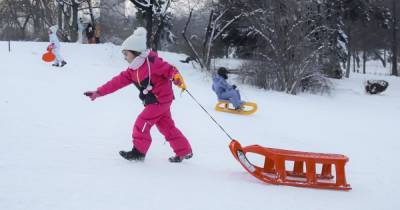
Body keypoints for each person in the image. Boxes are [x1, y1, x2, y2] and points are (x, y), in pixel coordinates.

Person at [84, 27, 193, 163]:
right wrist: (99, 92)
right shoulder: (133, 69)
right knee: (167, 127)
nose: (124, 57)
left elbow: (170, 70)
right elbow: (116, 82)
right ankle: (184, 151)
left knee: (141, 122)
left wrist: (176, 77)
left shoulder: (153, 62)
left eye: (126, 54)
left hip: (160, 100)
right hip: (158, 101)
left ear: (135, 53)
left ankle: (139, 152)